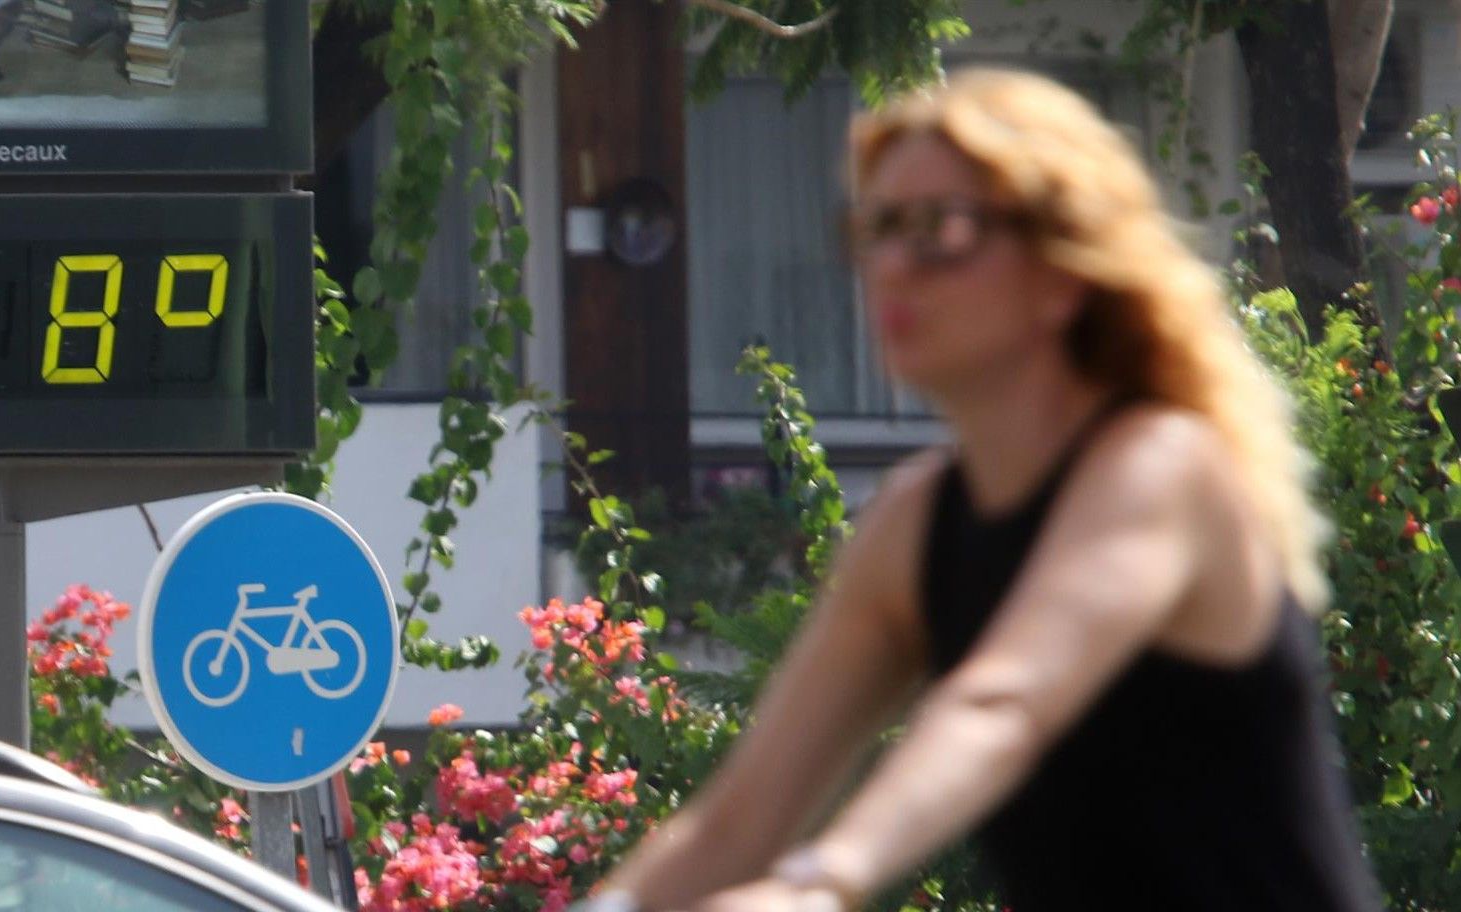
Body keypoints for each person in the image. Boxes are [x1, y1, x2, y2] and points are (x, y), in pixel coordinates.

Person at [587, 68, 1384, 912]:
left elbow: (1003, 703)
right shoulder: (914, 521)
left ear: (1062, 273)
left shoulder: (1159, 468)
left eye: (938, 229)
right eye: (875, 227)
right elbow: (736, 825)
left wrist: (825, 883)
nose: (891, 265)